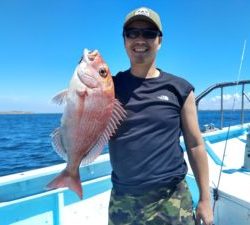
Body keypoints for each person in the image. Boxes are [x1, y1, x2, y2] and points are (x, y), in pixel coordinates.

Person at [108, 6, 214, 225]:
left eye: (148, 33)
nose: (140, 39)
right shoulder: (109, 87)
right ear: (124, 39)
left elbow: (195, 145)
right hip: (123, 199)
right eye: (132, 33)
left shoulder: (180, 88)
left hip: (172, 198)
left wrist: (205, 198)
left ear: (160, 40)